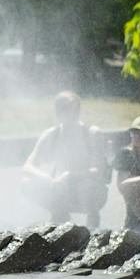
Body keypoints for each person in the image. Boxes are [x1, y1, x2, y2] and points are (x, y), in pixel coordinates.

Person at [20, 91, 107, 226]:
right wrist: (49, 179)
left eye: (76, 108)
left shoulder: (92, 133)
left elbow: (98, 171)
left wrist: (70, 176)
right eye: (66, 109)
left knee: (87, 187)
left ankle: (93, 226)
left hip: (90, 188)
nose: (72, 113)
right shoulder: (51, 134)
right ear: (58, 112)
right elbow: (28, 167)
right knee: (27, 183)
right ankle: (59, 215)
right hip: (60, 186)